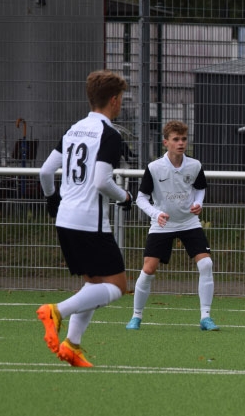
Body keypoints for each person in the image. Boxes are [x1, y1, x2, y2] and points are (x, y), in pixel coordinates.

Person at [36, 69, 134, 367]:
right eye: (121, 98)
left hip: (66, 219)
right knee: (117, 286)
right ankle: (56, 311)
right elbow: (102, 181)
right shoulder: (109, 134)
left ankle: (72, 344)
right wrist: (125, 197)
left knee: (94, 283)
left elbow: (45, 171)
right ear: (114, 100)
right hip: (90, 221)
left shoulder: (74, 129)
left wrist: (52, 199)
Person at [126, 120, 218, 331]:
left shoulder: (194, 165)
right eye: (176, 139)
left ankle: (205, 317)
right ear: (165, 142)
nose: (181, 143)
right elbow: (141, 198)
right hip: (163, 225)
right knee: (148, 269)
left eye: (184, 139)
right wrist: (156, 213)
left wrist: (198, 203)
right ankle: (136, 316)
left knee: (206, 264)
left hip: (189, 222)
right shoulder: (154, 168)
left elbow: (200, 189)